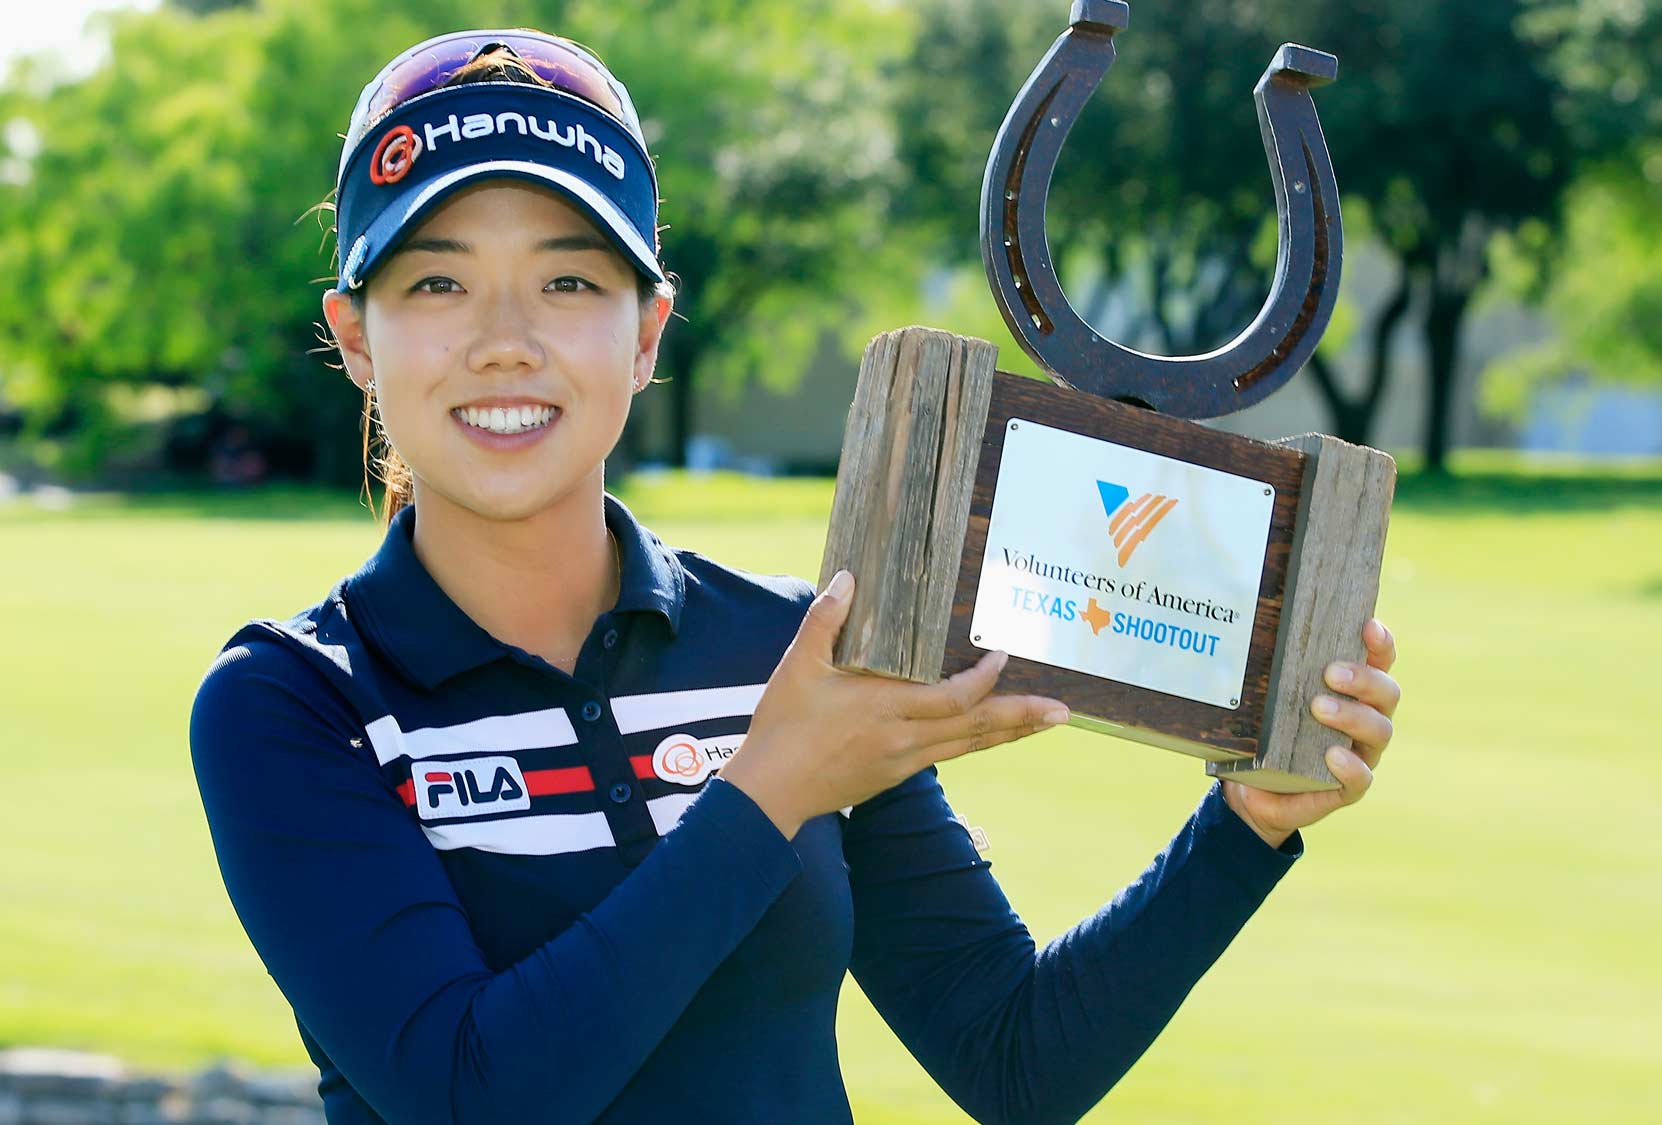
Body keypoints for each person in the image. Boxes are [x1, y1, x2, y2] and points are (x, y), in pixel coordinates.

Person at [188, 28, 1403, 1125]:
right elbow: (472, 1093)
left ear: (648, 329)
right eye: (436, 281)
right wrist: (771, 787)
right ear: (356, 337)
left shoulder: (791, 649)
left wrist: (1245, 827)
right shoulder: (296, 705)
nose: (505, 335)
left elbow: (1016, 1059)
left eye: (569, 280)